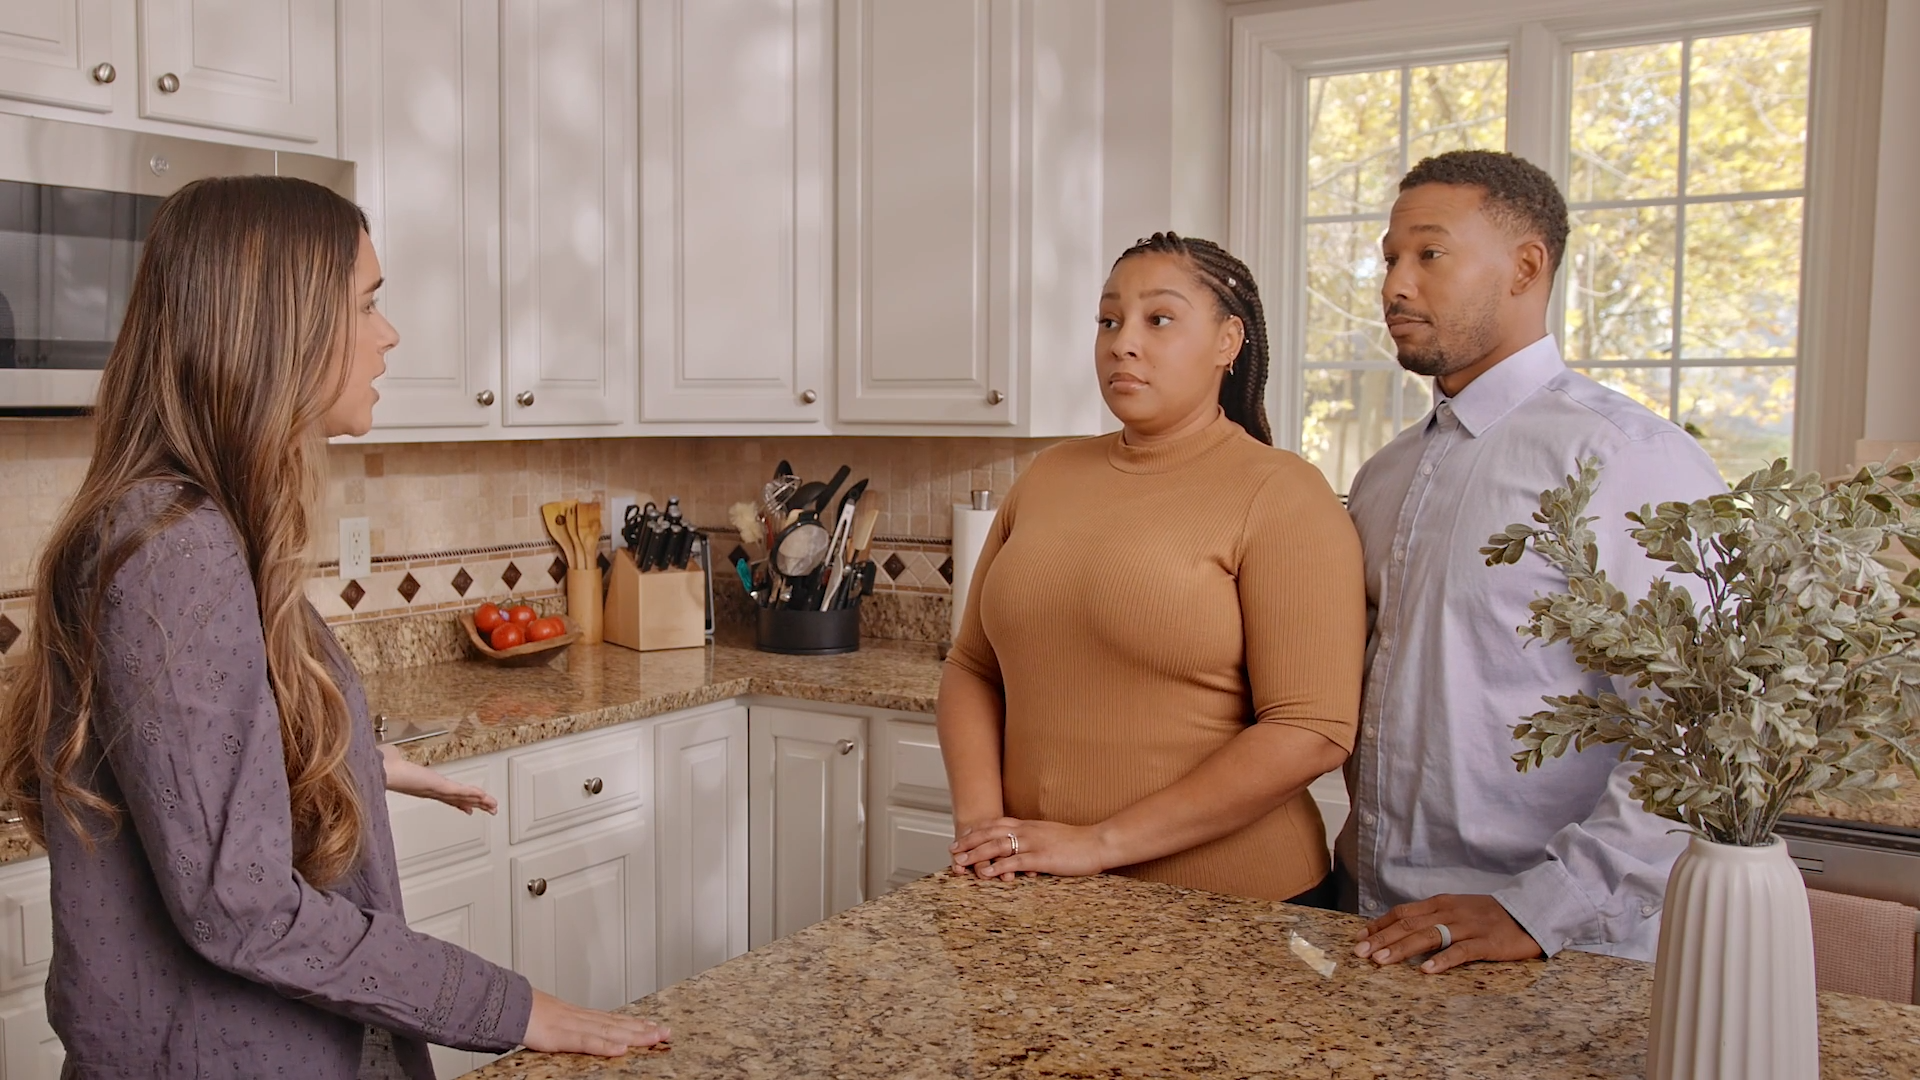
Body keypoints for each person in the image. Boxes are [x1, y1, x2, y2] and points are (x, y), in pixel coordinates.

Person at [0, 176, 667, 1078]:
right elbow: (238, 903)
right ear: (280, 327)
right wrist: (509, 1007)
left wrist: (359, 755)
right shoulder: (175, 549)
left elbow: (190, 761)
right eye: (367, 304)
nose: (388, 335)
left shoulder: (189, 525)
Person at [1340, 150, 1726, 974]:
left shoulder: (1627, 459)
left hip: (1561, 950)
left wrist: (1539, 909)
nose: (1395, 286)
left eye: (1429, 255)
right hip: (1383, 925)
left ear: (1526, 267)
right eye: (1389, 259)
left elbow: (1699, 730)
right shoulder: (1384, 476)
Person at [941, 233, 1366, 904]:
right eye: (1109, 320)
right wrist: (985, 832)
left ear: (1229, 340)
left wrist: (1097, 844)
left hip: (1229, 908)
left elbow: (1311, 730)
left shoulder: (1282, 492)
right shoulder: (1048, 475)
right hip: (1039, 889)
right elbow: (972, 667)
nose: (1121, 342)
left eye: (1157, 319)